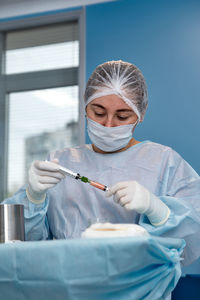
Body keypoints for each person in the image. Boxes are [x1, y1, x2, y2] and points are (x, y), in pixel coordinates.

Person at [4, 60, 200, 268]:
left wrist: (160, 212)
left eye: (122, 116)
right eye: (98, 112)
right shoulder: (60, 162)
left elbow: (191, 240)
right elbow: (18, 247)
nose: (108, 125)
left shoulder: (165, 163)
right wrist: (34, 198)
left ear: (140, 114)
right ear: (85, 105)